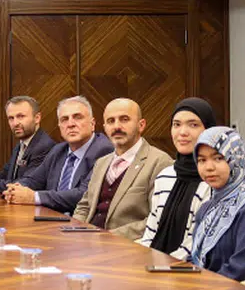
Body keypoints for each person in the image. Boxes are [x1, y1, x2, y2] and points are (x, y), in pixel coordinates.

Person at [186, 127, 245, 280]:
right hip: (207, 287)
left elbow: (244, 270)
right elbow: (195, 259)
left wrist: (196, 288)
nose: (209, 167)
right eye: (202, 160)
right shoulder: (208, 209)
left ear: (236, 158)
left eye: (218, 158)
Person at [72, 99, 174, 238]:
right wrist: (75, 232)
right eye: (111, 121)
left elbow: (157, 220)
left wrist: (107, 237)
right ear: (105, 127)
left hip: (127, 245)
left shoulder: (160, 162)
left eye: (124, 119)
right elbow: (84, 206)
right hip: (88, 242)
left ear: (141, 125)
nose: (117, 126)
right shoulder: (101, 163)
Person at [137, 98, 217, 259]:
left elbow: (196, 244)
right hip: (155, 264)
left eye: (193, 125)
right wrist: (143, 259)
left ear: (208, 130)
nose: (182, 132)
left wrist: (162, 266)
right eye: (177, 124)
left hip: (188, 267)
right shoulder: (165, 176)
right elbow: (151, 232)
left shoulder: (213, 178)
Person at [4, 96, 112, 213]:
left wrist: (34, 197)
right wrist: (14, 189)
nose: (70, 124)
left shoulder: (103, 150)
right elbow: (34, 180)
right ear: (59, 126)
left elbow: (84, 194)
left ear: (92, 124)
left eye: (77, 117)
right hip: (50, 219)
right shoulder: (58, 150)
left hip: (81, 221)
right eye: (64, 119)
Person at [0, 96, 55, 193]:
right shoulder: (22, 143)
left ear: (37, 118)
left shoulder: (44, 146)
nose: (15, 123)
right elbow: (6, 173)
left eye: (21, 116)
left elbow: (25, 184)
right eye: (11, 118)